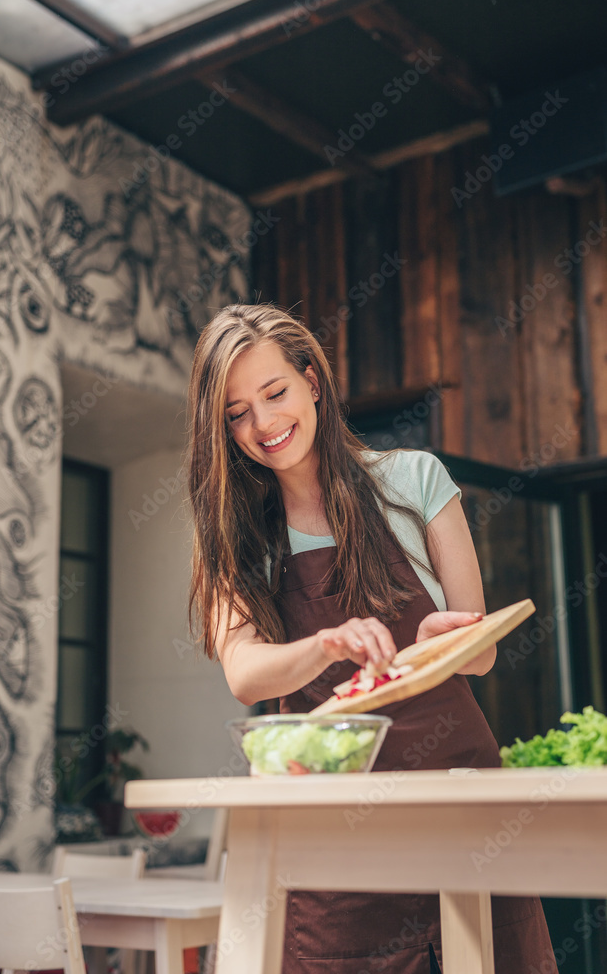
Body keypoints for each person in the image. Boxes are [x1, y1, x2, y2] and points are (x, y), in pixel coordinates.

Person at [185, 302, 558, 974]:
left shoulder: (414, 480)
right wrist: (325, 646)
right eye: (236, 413)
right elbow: (244, 671)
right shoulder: (239, 538)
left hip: (458, 791)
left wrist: (445, 639)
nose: (263, 423)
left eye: (274, 394)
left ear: (312, 383)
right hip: (333, 818)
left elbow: (482, 653)